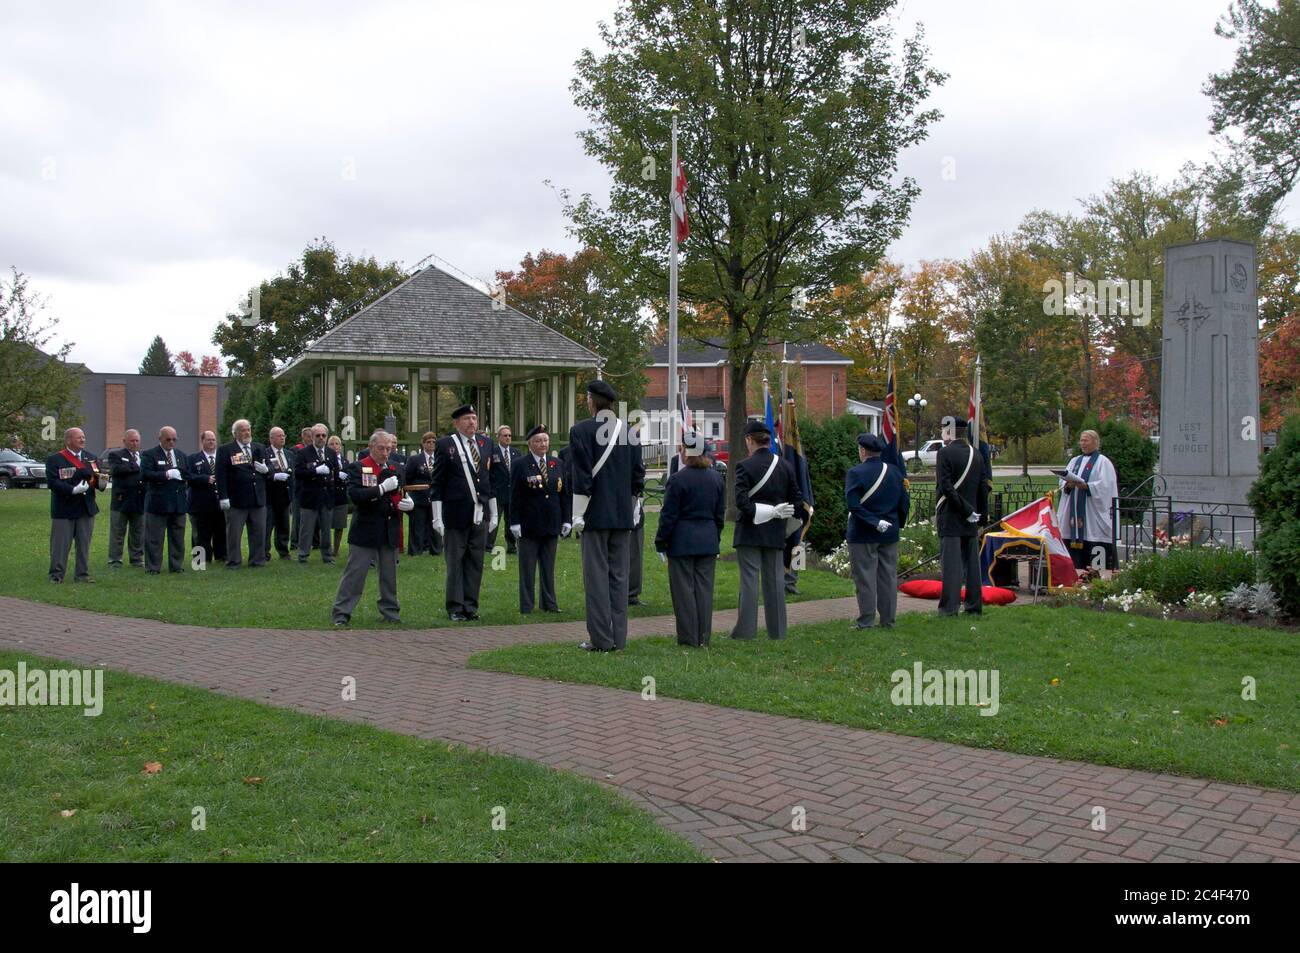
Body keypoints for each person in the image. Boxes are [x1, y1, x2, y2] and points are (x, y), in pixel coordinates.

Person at [568, 380, 645, 651]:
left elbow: (581, 476)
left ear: (591, 401)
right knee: (620, 577)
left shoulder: (581, 431)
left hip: (594, 515)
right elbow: (638, 477)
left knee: (597, 578)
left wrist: (578, 514)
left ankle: (601, 639)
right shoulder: (630, 432)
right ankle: (619, 637)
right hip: (623, 516)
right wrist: (633, 508)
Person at [332, 430, 412, 625]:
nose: (385, 453)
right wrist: (381, 488)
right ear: (371, 447)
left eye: (389, 448)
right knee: (355, 573)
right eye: (381, 448)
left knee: (389, 575)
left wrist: (409, 504)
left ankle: (391, 611)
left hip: (389, 527)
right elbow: (356, 496)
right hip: (366, 528)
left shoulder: (396, 468)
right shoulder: (358, 467)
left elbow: (402, 492)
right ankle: (342, 612)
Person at [730, 420, 800, 640]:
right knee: (776, 582)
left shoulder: (744, 466)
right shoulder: (786, 466)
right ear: (768, 440)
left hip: (750, 531)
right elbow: (797, 500)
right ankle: (777, 632)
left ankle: (746, 632)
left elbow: (741, 501)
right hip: (775, 532)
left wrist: (764, 512)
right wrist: (778, 512)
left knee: (750, 582)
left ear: (750, 440)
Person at [655, 431, 725, 647]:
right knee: (704, 591)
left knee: (684, 592)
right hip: (707, 540)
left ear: (686, 451)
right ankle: (704, 636)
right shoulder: (716, 478)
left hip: (682, 541)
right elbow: (719, 514)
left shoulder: (677, 480)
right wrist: (715, 535)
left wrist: (661, 541)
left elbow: (669, 515)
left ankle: (688, 637)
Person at [430, 404, 497, 621]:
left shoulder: (486, 443)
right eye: (467, 419)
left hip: (480, 512)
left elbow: (488, 479)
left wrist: (493, 513)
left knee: (475, 560)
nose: (472, 423)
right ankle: (455, 607)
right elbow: (437, 482)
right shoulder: (446, 444)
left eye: (474, 418)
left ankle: (471, 605)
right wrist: (437, 516)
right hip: (456, 511)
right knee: (456, 561)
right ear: (456, 423)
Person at [844, 433, 909, 630]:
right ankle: (888, 620)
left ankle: (866, 620)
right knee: (888, 577)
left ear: (863, 451)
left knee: (865, 577)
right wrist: (898, 524)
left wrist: (874, 522)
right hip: (889, 532)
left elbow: (853, 505)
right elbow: (904, 502)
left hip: (863, 533)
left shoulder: (855, 473)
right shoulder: (896, 472)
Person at [509, 424, 568, 613]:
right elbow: (514, 495)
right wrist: (514, 522)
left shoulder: (556, 463)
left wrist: (567, 519)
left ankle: (549, 603)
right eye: (538, 441)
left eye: (545, 440)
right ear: (530, 443)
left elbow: (564, 494)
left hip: (551, 522)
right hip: (529, 524)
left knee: (548, 567)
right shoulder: (520, 464)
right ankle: (527, 605)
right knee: (527, 568)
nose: (543, 444)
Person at [936, 416, 988, 616]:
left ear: (949, 432)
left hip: (952, 515)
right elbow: (984, 487)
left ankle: (949, 608)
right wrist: (980, 515)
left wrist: (966, 511)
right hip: (971, 517)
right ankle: (974, 606)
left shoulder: (944, 453)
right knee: (973, 566)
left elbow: (946, 487)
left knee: (951, 566)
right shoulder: (977, 454)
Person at [1056, 428, 1119, 572]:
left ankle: (1096, 571)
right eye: (1081, 440)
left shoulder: (1103, 462)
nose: (1082, 443)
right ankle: (1075, 569)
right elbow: (1063, 483)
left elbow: (1106, 486)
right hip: (1074, 511)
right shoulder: (1074, 461)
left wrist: (1087, 486)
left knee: (1093, 535)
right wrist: (1068, 484)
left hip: (1091, 511)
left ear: (1095, 442)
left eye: (1086, 440)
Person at [46, 427, 104, 583]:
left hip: (86, 508)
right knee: (60, 545)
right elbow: (53, 483)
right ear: (68, 440)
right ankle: (56, 575)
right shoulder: (55, 459)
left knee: (84, 545)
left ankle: (82, 575)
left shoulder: (91, 458)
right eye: (78, 437)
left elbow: (96, 479)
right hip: (64, 508)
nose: (82, 440)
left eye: (83, 437)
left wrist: (102, 482)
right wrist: (72, 490)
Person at [216, 418, 270, 569]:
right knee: (234, 533)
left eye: (248, 429)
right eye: (243, 430)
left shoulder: (258, 447)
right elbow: (220, 475)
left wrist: (267, 470)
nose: (247, 433)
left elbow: (269, 466)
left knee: (259, 532)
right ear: (235, 434)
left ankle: (257, 560)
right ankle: (234, 561)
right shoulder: (226, 450)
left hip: (257, 498)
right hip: (236, 500)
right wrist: (223, 497)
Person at [140, 426, 190, 574]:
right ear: (160, 438)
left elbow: (187, 474)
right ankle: (153, 567)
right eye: (168, 439)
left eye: (174, 439)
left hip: (178, 502)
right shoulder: (150, 455)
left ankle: (176, 566)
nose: (171, 442)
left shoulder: (181, 455)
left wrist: (182, 476)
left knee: (177, 537)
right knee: (155, 538)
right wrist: (166, 474)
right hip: (158, 502)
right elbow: (145, 474)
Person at [294, 423, 338, 564]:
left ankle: (327, 555)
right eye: (317, 435)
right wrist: (315, 471)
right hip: (310, 496)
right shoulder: (303, 453)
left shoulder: (331, 453)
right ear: (312, 437)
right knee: (306, 528)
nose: (321, 438)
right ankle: (303, 555)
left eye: (323, 435)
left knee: (326, 528)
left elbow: (335, 472)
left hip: (326, 496)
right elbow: (298, 473)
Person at [105, 429, 145, 568]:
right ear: (124, 441)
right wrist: (137, 466)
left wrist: (134, 467)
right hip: (121, 500)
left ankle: (137, 559)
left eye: (137, 441)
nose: (134, 443)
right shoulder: (116, 455)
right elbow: (117, 470)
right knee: (117, 532)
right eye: (132, 441)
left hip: (140, 500)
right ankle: (115, 560)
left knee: (138, 532)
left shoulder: (143, 456)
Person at [187, 430, 226, 566]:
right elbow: (187, 477)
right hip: (200, 504)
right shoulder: (193, 459)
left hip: (219, 503)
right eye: (208, 439)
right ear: (202, 441)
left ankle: (221, 557)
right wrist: (204, 479)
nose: (211, 442)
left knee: (220, 532)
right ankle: (200, 560)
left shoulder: (221, 458)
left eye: (213, 440)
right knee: (200, 535)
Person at [264, 426, 295, 559]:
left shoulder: (289, 454)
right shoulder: (265, 453)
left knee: (283, 526)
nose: (282, 438)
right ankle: (264, 552)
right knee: (267, 526)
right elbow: (262, 472)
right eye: (279, 436)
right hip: (270, 496)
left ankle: (283, 551)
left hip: (285, 496)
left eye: (283, 435)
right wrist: (273, 476)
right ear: (271, 438)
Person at [405, 431, 437, 557]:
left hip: (435, 497)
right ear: (423, 444)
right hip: (419, 497)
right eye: (428, 442)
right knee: (417, 525)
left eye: (433, 442)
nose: (431, 444)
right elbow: (408, 477)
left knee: (434, 526)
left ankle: (435, 549)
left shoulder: (440, 459)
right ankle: (415, 550)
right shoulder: (415, 459)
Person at [488, 424, 517, 555]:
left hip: (512, 494)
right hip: (497, 493)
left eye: (509, 435)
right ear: (498, 437)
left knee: (511, 521)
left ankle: (511, 546)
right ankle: (488, 545)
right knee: (494, 519)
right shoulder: (492, 452)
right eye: (505, 435)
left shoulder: (516, 453)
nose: (508, 438)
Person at [327, 435, 350, 557]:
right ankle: (327, 548)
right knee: (326, 524)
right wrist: (335, 475)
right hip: (329, 494)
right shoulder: (326, 460)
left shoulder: (345, 461)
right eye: (332, 444)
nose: (335, 446)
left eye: (337, 444)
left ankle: (335, 550)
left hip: (341, 496)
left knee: (340, 525)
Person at [290, 426, 312, 550]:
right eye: (308, 436)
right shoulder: (296, 450)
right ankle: (294, 543)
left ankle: (313, 542)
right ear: (303, 437)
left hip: (312, 489)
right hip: (299, 488)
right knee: (297, 517)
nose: (310, 438)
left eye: (311, 436)